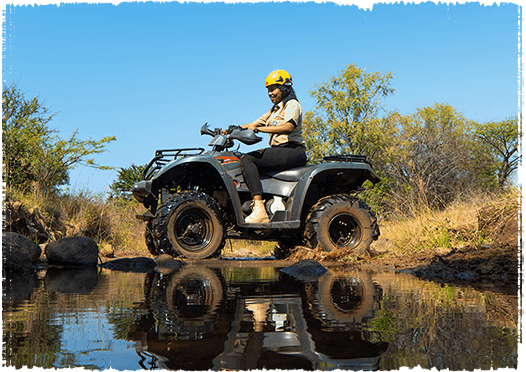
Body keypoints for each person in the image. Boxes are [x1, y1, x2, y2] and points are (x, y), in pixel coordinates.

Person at [240, 69, 307, 224]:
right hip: (279, 151)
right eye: (268, 91)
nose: (270, 93)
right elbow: (253, 124)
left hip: (292, 150)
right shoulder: (273, 111)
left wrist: (260, 129)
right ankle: (262, 202)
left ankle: (259, 209)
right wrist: (230, 130)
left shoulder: (292, 104)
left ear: (284, 88)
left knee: (248, 159)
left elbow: (288, 127)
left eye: (272, 89)